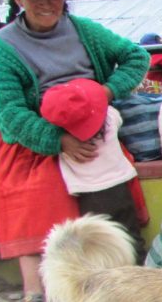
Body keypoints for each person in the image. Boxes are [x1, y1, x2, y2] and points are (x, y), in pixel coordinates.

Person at [0, 0, 150, 302]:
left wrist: (104, 93)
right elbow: (8, 112)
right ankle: (46, 287)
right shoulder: (1, 46)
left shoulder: (84, 31)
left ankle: (123, 280)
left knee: (108, 194)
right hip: (38, 138)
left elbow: (136, 57)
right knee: (40, 193)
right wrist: (57, 140)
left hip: (91, 131)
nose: (48, 4)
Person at [40, 79, 145, 258]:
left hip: (87, 197)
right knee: (130, 234)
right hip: (119, 188)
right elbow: (114, 115)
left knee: (100, 245)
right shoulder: (110, 118)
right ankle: (138, 268)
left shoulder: (67, 144)